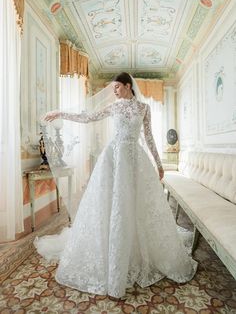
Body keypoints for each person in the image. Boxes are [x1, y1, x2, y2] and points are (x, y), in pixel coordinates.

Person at [35, 72, 197, 298]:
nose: (114, 92)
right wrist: (60, 113)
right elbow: (88, 117)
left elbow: (149, 137)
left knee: (137, 205)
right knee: (113, 205)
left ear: (128, 86)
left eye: (117, 88)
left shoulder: (144, 109)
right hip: (114, 158)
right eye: (113, 89)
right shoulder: (114, 107)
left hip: (135, 160)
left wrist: (159, 164)